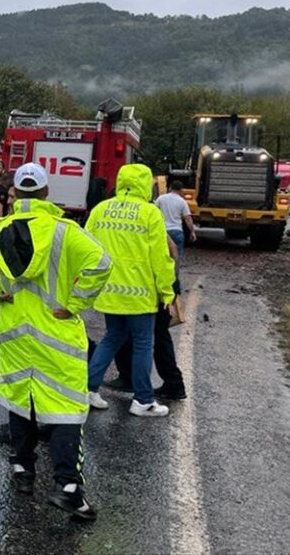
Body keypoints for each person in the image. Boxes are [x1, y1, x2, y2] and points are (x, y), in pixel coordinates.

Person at [0, 162, 111, 520]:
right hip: (57, 335)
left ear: (14, 195)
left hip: (16, 332)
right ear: (46, 193)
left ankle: (23, 470)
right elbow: (101, 263)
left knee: (20, 397)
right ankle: (68, 487)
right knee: (67, 409)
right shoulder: (63, 232)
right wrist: (75, 304)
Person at [85, 164, 177, 418]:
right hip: (140, 294)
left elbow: (85, 246)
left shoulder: (100, 209)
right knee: (143, 344)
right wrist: (167, 292)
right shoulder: (150, 212)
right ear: (145, 184)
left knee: (112, 337)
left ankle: (89, 389)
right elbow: (160, 257)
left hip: (108, 291)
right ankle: (144, 400)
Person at [106, 236, 187, 400]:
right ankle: (172, 383)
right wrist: (173, 281)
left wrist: (169, 284)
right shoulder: (149, 221)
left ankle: (132, 379)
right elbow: (173, 250)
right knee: (158, 336)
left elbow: (172, 249)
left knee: (145, 336)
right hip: (157, 288)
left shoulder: (147, 221)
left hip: (151, 290)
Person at [155, 180, 196, 257]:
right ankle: (175, 269)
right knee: (176, 256)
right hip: (177, 231)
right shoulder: (182, 201)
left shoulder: (161, 199)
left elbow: (154, 211)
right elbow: (188, 218)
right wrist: (192, 231)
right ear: (181, 190)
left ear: (170, 188)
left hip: (163, 231)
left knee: (163, 256)